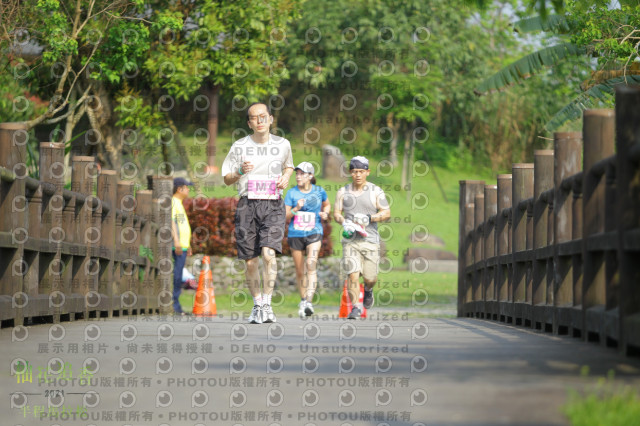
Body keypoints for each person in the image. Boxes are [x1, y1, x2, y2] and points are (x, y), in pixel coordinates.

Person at [221, 102, 294, 324]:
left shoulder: (283, 144)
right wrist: (240, 171)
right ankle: (257, 304)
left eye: (264, 116)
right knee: (251, 261)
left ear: (271, 119)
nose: (260, 121)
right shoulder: (240, 146)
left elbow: (289, 165)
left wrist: (286, 177)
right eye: (255, 118)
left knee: (269, 254)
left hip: (273, 204)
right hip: (247, 204)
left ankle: (268, 305)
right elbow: (226, 178)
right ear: (249, 123)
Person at [334, 156, 391, 319]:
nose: (357, 175)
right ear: (350, 172)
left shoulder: (375, 191)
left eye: (361, 171)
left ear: (367, 172)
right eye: (354, 171)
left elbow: (387, 213)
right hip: (350, 241)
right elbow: (336, 213)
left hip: (371, 240)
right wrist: (344, 222)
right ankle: (356, 307)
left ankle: (368, 289)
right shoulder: (343, 192)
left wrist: (370, 218)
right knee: (352, 274)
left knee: (370, 277)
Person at [284, 162, 330, 318]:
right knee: (299, 270)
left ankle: (309, 301)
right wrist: (296, 208)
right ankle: (303, 300)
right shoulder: (291, 193)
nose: (298, 176)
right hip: (295, 233)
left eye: (302, 174)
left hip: (314, 232)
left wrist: (325, 213)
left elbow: (327, 205)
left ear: (310, 176)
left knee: (311, 264)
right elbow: (286, 215)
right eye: (297, 174)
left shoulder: (319, 191)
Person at [171, 177, 194, 316]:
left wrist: (187, 243)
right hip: (177, 246)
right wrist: (176, 241)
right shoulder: (173, 202)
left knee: (178, 275)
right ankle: (175, 306)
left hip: (183, 245)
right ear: (179, 189)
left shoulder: (178, 203)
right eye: (186, 187)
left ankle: (176, 305)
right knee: (177, 276)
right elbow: (171, 222)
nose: (188, 189)